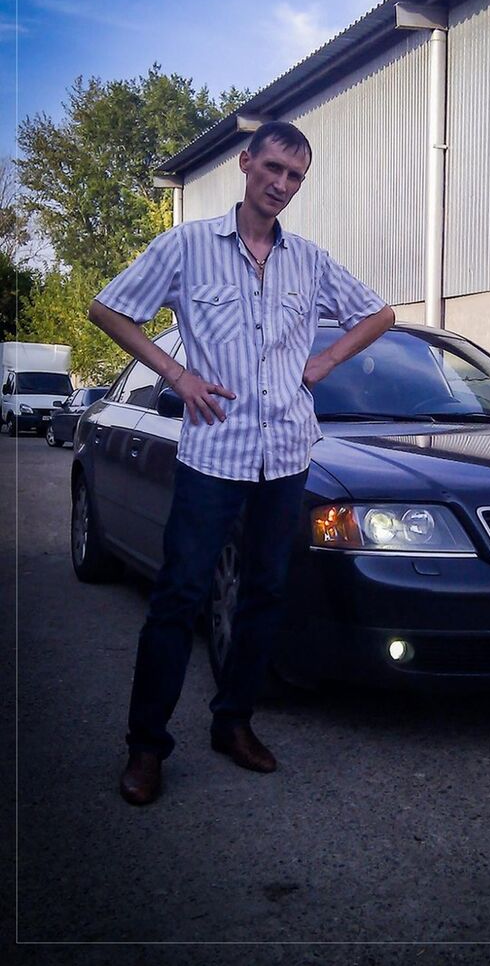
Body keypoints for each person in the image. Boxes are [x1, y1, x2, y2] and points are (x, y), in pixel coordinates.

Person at [89, 121, 394, 805]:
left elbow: (380, 315)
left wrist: (324, 361)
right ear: (246, 162)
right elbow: (107, 309)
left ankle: (233, 722)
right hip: (214, 453)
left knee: (263, 594)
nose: (282, 185)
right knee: (179, 597)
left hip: (285, 454)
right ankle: (146, 747)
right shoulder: (187, 246)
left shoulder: (309, 261)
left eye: (295, 176)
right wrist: (177, 373)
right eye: (274, 168)